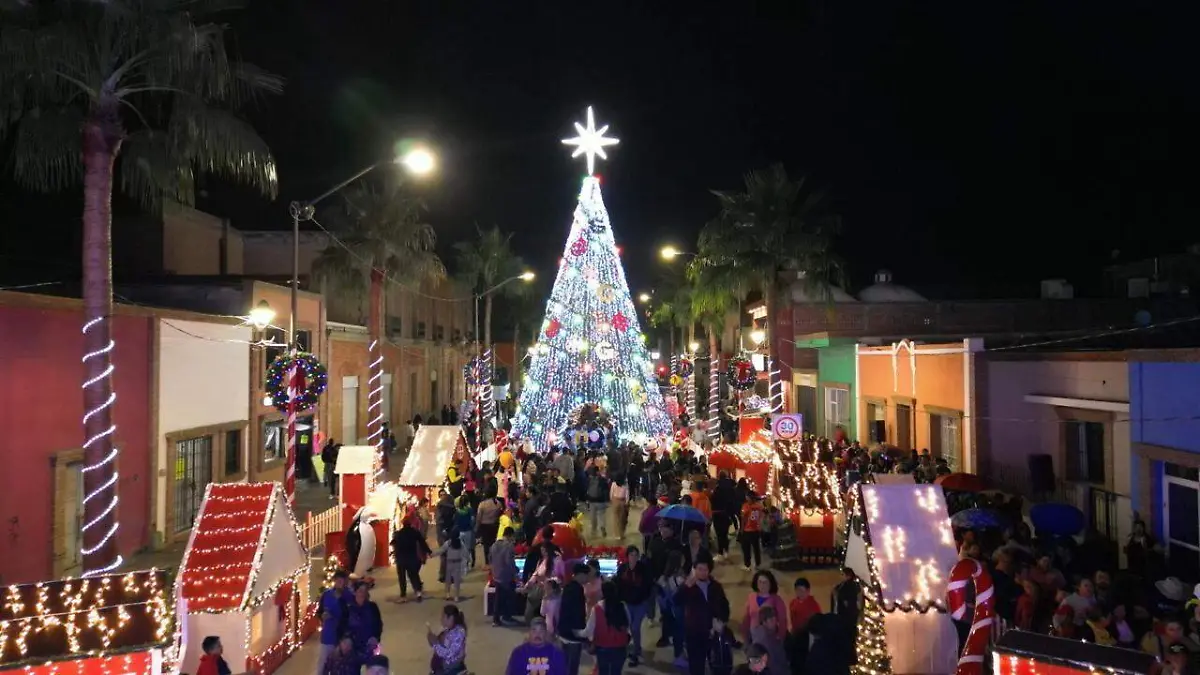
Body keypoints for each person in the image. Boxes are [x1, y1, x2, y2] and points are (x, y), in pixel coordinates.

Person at [675, 559, 732, 675]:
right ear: (694, 570)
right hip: (694, 633)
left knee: (717, 664)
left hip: (714, 633)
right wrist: (685, 587)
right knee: (696, 666)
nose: (702, 572)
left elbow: (724, 606)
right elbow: (676, 601)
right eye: (699, 569)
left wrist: (722, 620)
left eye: (705, 569)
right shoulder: (688, 586)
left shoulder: (715, 586)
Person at [615, 545, 654, 667]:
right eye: (632, 555)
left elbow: (648, 585)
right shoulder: (622, 568)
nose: (634, 557)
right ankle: (633, 649)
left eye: (636, 555)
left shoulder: (643, 568)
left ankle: (636, 651)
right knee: (628, 627)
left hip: (640, 603)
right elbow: (618, 584)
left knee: (635, 627)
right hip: (627, 603)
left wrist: (644, 598)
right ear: (627, 556)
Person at [585, 581, 633, 675]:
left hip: (602, 646)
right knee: (616, 672)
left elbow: (589, 630)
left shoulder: (597, 608)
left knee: (603, 672)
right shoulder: (622, 606)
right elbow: (629, 622)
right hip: (620, 646)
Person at [558, 563, 592, 675]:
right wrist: (582, 634)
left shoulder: (569, 587)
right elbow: (577, 613)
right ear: (581, 575)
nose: (588, 578)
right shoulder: (577, 590)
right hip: (573, 633)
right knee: (572, 665)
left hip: (564, 631)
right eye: (587, 575)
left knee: (565, 663)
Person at [316, 570, 353, 675]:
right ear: (335, 581)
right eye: (338, 581)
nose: (340, 584)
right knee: (322, 665)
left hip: (342, 638)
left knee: (341, 666)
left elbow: (350, 616)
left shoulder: (349, 597)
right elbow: (320, 612)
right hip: (327, 637)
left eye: (343, 582)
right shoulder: (326, 595)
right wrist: (321, 616)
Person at [391, 517, 431, 603]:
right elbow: (422, 542)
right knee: (414, 575)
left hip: (401, 559)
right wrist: (429, 551)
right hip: (412, 557)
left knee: (402, 578)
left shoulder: (399, 533)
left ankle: (403, 596)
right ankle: (418, 593)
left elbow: (393, 543)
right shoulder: (414, 532)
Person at [743, 570, 788, 645]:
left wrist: (780, 636)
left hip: (770, 639)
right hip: (754, 637)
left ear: (770, 584)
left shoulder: (776, 599)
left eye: (765, 582)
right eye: (760, 582)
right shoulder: (751, 597)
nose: (762, 585)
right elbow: (747, 617)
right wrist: (745, 635)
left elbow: (782, 620)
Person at [340, 583, 382, 660]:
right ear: (355, 592)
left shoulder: (372, 607)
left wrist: (375, 637)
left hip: (369, 642)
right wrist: (345, 639)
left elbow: (378, 624)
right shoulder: (348, 608)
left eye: (365, 591)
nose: (363, 593)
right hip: (353, 643)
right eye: (360, 591)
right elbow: (342, 625)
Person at [788, 578, 821, 674]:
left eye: (803, 591)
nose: (800, 593)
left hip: (807, 636)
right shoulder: (793, 603)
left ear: (808, 591)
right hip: (796, 634)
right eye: (798, 590)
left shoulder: (814, 605)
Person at [427, 604, 468, 675]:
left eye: (443, 616)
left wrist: (435, 644)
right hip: (443, 667)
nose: (441, 619)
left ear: (451, 618)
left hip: (450, 668)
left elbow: (449, 654)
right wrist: (432, 640)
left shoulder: (459, 633)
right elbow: (441, 645)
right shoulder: (447, 630)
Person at [491, 527, 520, 625]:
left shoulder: (494, 545)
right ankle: (507, 616)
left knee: (498, 598)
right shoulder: (509, 546)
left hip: (496, 574)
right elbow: (509, 562)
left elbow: (490, 558)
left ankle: (496, 618)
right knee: (509, 597)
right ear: (510, 535)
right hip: (506, 576)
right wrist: (516, 571)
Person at [751, 606, 790, 675]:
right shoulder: (764, 640)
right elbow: (774, 663)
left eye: (775, 618)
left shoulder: (779, 632)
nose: (775, 622)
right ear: (764, 622)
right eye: (771, 620)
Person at [740, 494, 767, 571]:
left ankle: (747, 565)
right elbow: (763, 515)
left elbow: (743, 518)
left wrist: (742, 529)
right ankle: (758, 564)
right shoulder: (759, 506)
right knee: (756, 548)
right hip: (756, 530)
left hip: (747, 530)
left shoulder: (745, 506)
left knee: (746, 548)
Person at [477, 491, 504, 567]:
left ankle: (487, 562)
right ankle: (495, 560)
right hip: (495, 525)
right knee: (494, 544)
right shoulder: (498, 503)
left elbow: (479, 518)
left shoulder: (482, 504)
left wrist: (477, 527)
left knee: (486, 545)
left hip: (485, 526)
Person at [586, 466, 611, 538]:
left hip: (592, 500)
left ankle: (593, 531)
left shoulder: (589, 480)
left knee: (593, 517)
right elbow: (607, 490)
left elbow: (586, 490)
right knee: (601, 516)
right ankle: (602, 527)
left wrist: (587, 500)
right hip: (601, 501)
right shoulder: (603, 479)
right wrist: (607, 501)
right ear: (598, 471)